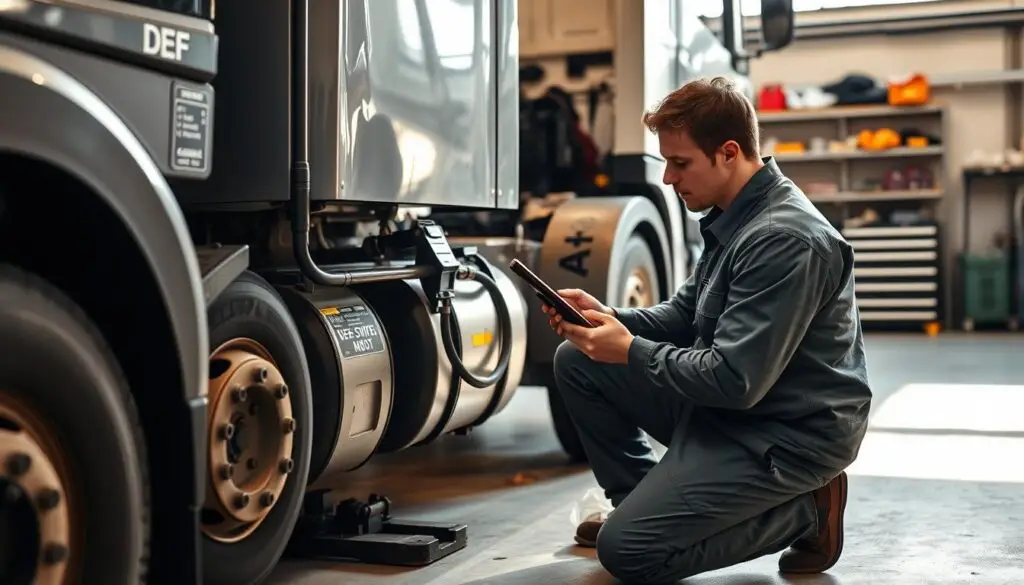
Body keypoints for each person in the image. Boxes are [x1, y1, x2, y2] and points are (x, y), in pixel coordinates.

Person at [542, 76, 872, 583]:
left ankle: (807, 508)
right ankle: (642, 505)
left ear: (729, 152)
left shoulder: (783, 239)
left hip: (786, 435)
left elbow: (734, 380)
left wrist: (628, 349)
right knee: (579, 359)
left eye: (680, 162)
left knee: (628, 554)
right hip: (737, 411)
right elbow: (683, 317)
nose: (670, 179)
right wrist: (609, 319)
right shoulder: (733, 217)